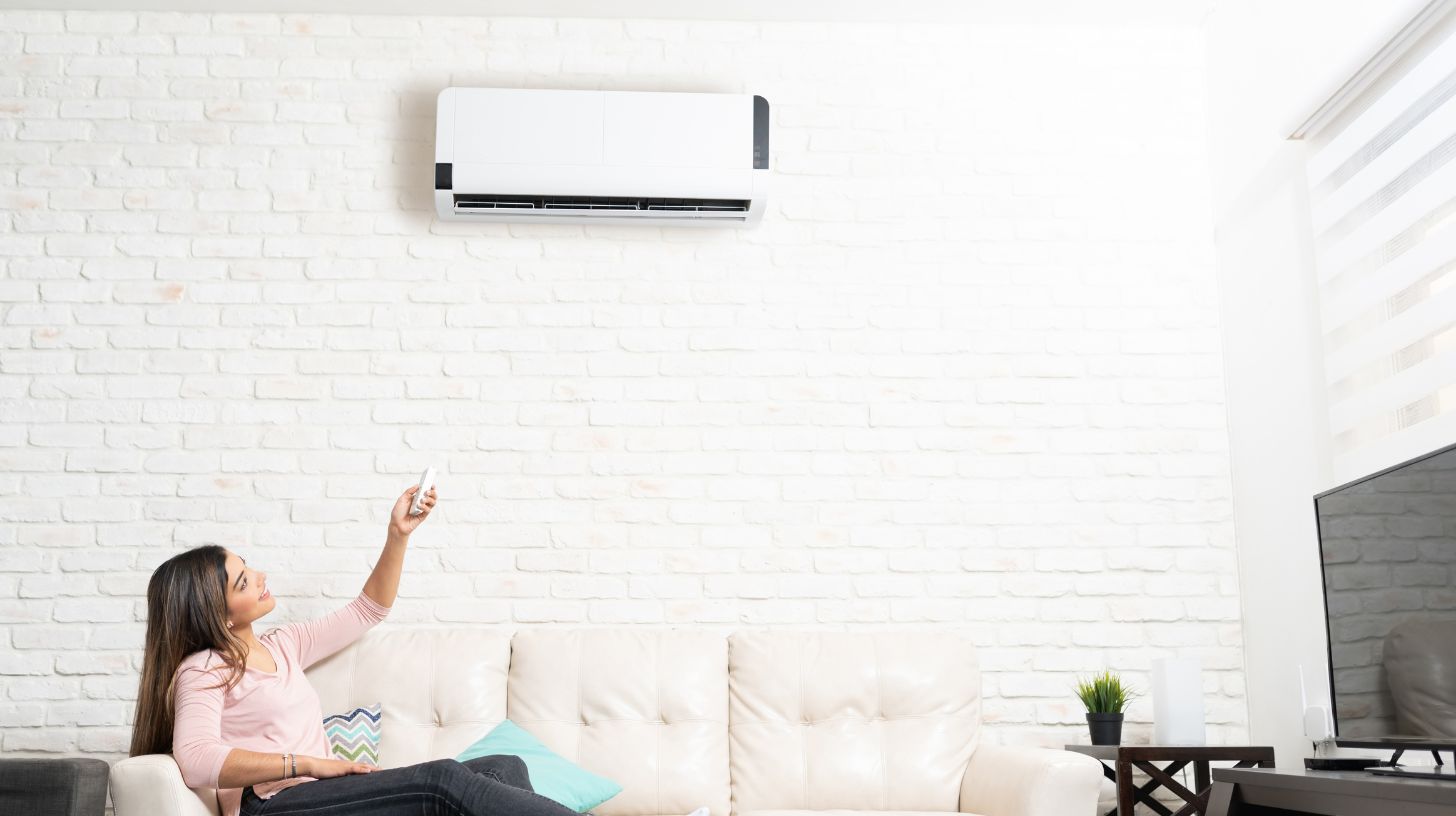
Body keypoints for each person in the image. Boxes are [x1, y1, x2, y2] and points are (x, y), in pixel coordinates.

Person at [128, 482, 580, 816]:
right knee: (440, 781)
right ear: (218, 613)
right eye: (244, 581)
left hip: (320, 796)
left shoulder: (283, 645)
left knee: (503, 765)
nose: (260, 575)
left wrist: (398, 535)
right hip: (275, 805)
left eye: (247, 566)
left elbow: (369, 609)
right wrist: (308, 764)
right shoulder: (203, 668)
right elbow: (195, 759)